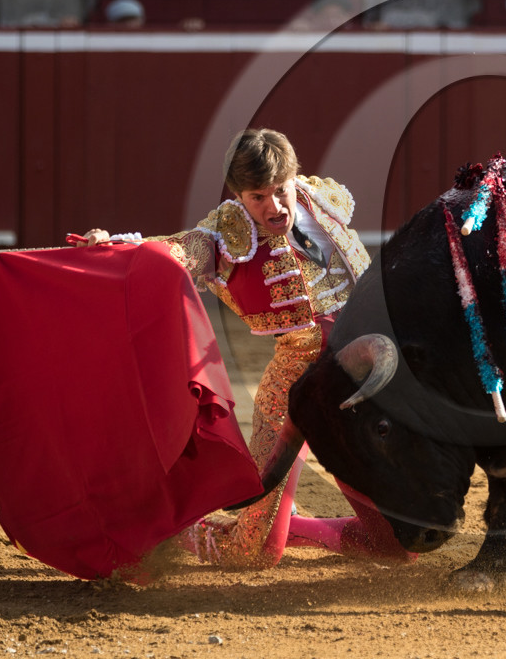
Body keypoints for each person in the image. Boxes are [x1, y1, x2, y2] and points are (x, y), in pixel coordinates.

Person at [82, 128, 411, 569]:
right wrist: (122, 249)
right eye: (258, 197)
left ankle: (289, 525)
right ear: (239, 196)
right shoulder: (227, 231)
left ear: (295, 179)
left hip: (357, 386)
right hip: (294, 391)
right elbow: (183, 250)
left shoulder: (321, 199)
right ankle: (173, 534)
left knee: (393, 547)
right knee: (252, 552)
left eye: (280, 191)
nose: (273, 207)